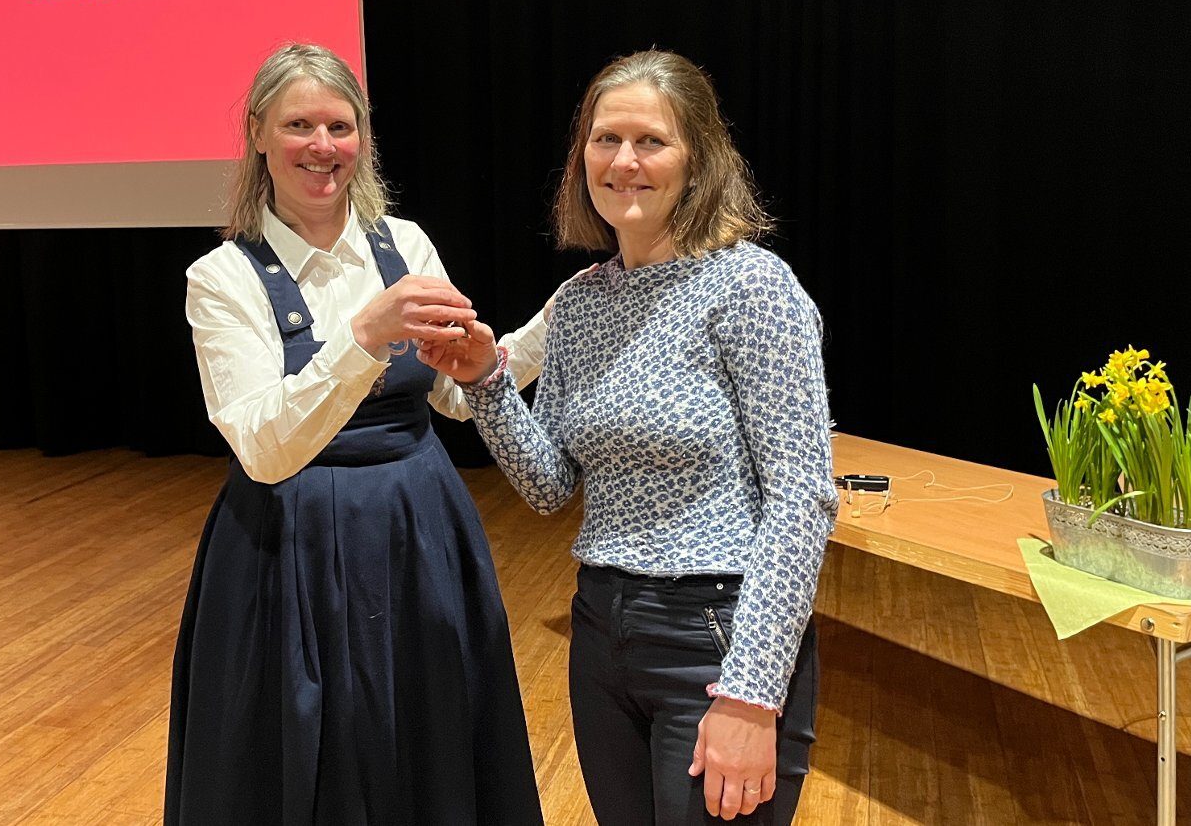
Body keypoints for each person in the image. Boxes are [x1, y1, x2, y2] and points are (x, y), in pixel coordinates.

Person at [418, 50, 838, 824]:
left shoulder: (750, 287)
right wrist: (484, 379)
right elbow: (550, 486)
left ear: (700, 159)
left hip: (718, 635)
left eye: (651, 141)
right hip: (603, 629)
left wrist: (750, 693)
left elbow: (802, 500)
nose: (625, 161)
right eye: (606, 140)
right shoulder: (581, 302)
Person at [165, 43, 546, 825]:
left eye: (340, 125)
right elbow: (265, 448)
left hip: (418, 527)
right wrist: (362, 337)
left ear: (362, 138)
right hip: (285, 541)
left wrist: (498, 358)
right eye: (298, 123)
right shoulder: (222, 278)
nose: (321, 146)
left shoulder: (405, 246)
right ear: (258, 134)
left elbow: (449, 399)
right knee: (301, 744)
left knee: (429, 730)